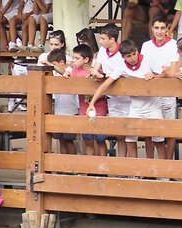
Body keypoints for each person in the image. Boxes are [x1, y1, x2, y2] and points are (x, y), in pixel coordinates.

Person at [87, 39, 167, 160]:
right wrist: (91, 103)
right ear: (123, 57)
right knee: (130, 140)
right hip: (135, 106)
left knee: (159, 141)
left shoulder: (146, 59)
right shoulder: (121, 65)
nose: (133, 58)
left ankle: (164, 175)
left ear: (137, 51)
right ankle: (134, 173)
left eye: (134, 54)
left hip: (153, 105)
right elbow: (105, 85)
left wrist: (155, 76)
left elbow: (164, 73)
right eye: (129, 56)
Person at [141, 14, 178, 159]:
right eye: (156, 28)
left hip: (168, 94)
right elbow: (144, 69)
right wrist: (165, 71)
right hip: (150, 94)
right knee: (150, 131)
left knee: (170, 131)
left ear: (167, 29)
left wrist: (164, 72)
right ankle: (151, 168)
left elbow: (173, 72)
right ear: (152, 29)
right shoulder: (146, 46)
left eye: (162, 28)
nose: (159, 31)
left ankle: (167, 166)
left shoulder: (173, 44)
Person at [91, 23, 131, 158]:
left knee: (129, 135)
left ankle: (128, 167)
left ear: (112, 39)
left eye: (103, 38)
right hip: (112, 97)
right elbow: (97, 66)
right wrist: (95, 72)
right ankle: (120, 165)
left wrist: (101, 75)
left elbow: (116, 75)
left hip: (126, 98)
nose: (100, 41)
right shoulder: (102, 51)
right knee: (119, 134)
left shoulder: (122, 53)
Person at [66, 44, 108, 157]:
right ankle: (89, 166)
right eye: (74, 58)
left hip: (99, 109)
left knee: (100, 139)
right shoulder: (74, 71)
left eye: (77, 58)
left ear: (86, 59)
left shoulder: (95, 72)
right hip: (84, 109)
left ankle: (102, 166)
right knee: (87, 139)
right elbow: (67, 74)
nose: (74, 60)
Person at [46, 48, 77, 155]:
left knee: (69, 140)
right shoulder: (55, 74)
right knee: (61, 140)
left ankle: (72, 165)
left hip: (70, 111)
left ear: (62, 62)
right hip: (59, 109)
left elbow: (67, 74)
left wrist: (52, 66)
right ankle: (63, 166)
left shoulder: (70, 69)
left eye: (55, 64)